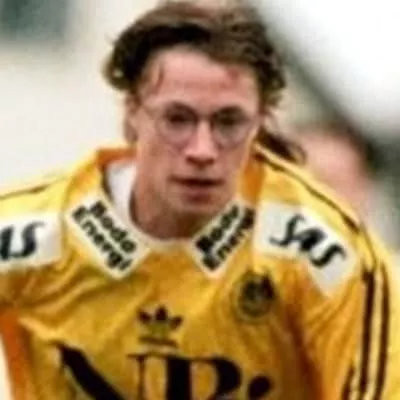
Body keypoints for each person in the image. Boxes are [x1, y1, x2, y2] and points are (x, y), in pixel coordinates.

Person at [0, 1, 399, 399]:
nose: (202, 150)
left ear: (261, 122)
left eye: (229, 122)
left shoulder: (332, 255)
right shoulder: (28, 233)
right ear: (131, 114)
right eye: (177, 119)